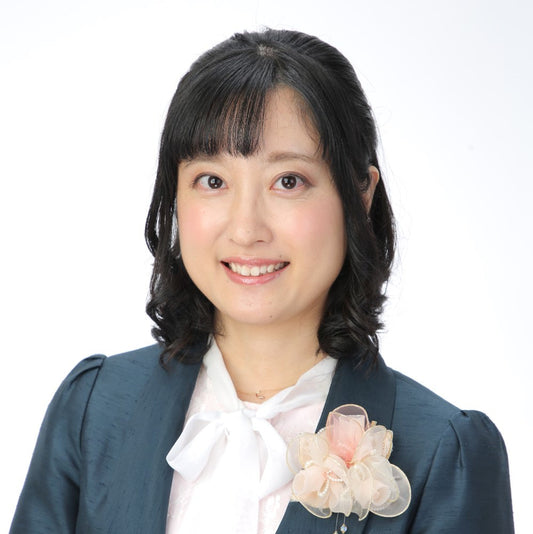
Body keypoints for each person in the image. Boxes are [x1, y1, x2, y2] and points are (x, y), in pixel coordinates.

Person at [10, 29, 513, 533]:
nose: (246, 229)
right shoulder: (93, 410)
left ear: (361, 196)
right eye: (213, 181)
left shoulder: (444, 454)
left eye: (288, 181)